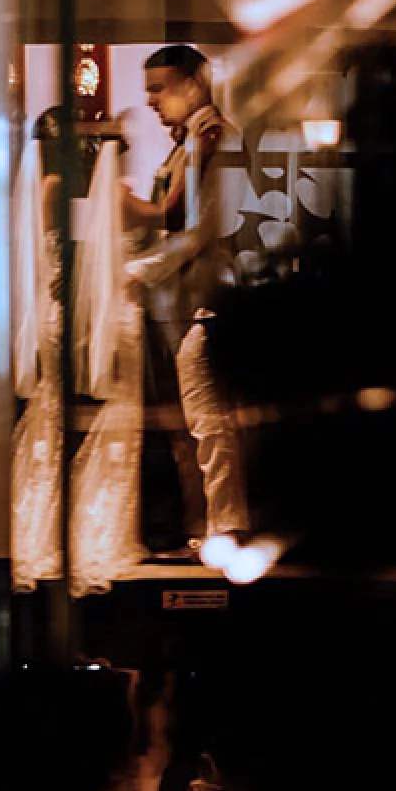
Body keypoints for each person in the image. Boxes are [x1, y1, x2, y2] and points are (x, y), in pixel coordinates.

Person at [9, 108, 144, 594]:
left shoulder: (57, 188)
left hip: (63, 310)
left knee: (53, 414)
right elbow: (73, 256)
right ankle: (68, 523)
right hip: (70, 312)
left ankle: (50, 521)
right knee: (64, 415)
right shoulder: (63, 190)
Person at [123, 47, 249, 563]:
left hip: (212, 298)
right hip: (186, 300)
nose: (151, 101)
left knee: (208, 418)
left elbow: (195, 228)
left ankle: (225, 529)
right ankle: (207, 527)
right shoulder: (192, 142)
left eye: (160, 88)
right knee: (196, 422)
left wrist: (135, 270)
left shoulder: (213, 137)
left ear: (194, 83)